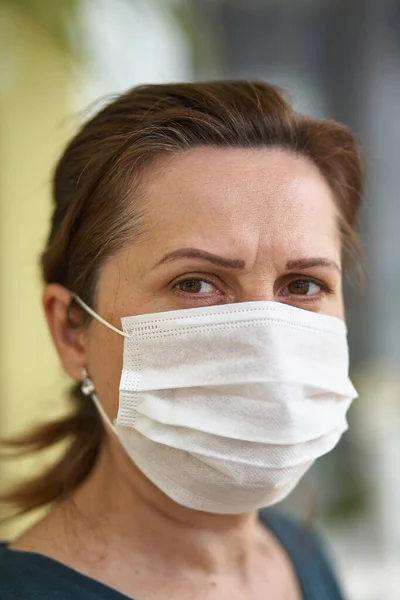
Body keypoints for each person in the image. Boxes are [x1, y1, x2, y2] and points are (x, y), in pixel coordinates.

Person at [0, 80, 362, 600]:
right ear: (70, 332)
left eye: (304, 285)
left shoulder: (301, 553)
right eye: (194, 283)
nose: (267, 342)